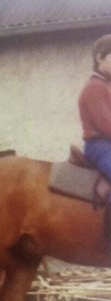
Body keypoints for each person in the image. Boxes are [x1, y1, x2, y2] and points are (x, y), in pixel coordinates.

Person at [79, 34, 111, 242]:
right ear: (100, 58)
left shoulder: (107, 86)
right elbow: (107, 126)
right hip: (99, 146)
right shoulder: (94, 88)